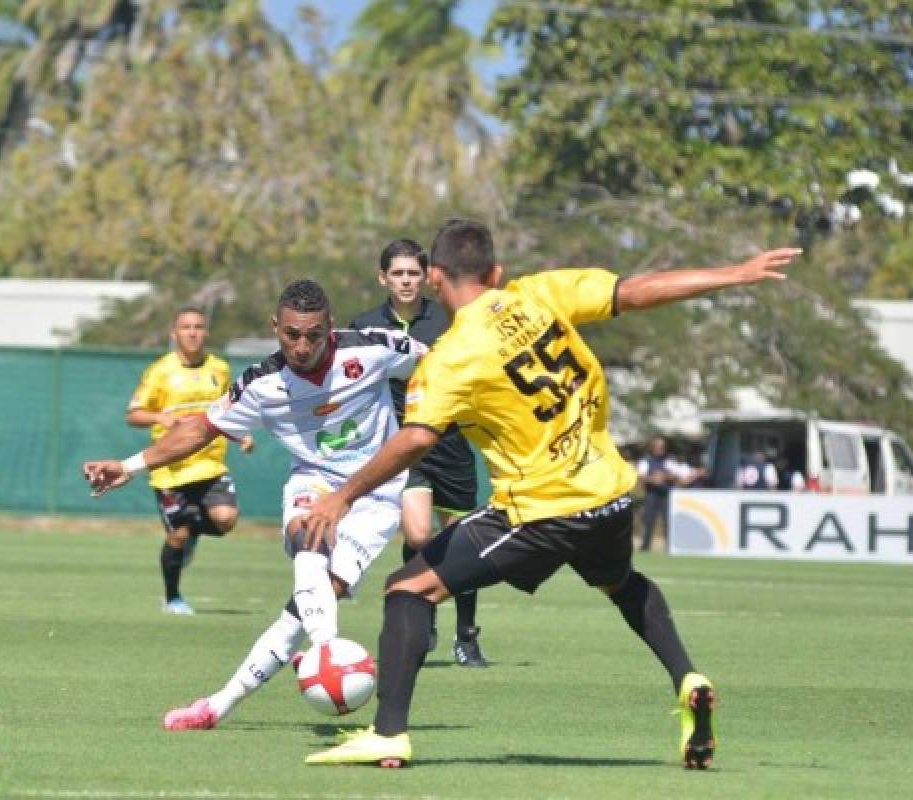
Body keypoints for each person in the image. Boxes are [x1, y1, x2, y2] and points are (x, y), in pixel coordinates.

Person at [298, 218, 801, 769]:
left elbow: (417, 437)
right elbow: (632, 291)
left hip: (541, 511)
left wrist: (342, 495)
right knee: (620, 582)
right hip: (609, 494)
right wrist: (735, 274)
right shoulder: (538, 293)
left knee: (408, 588)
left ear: (435, 277)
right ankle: (687, 677)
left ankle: (389, 734)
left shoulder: (451, 356)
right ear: (496, 272)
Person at [84, 279, 427, 731]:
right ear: (275, 327)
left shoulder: (374, 347)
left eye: (313, 334)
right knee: (309, 537)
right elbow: (197, 430)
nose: (302, 345)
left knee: (310, 604)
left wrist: (427, 415)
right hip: (315, 482)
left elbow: (444, 363)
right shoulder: (261, 384)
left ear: (330, 326)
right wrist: (129, 466)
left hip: (376, 492)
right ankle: (328, 653)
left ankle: (217, 706)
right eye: (291, 334)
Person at [351, 238, 487, 667]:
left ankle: (466, 637)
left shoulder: (449, 320)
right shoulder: (366, 326)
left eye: (413, 273)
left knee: (466, 542)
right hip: (404, 446)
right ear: (383, 277)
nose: (406, 281)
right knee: (417, 534)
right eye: (398, 274)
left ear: (426, 277)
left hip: (451, 445)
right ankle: (422, 612)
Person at [126, 306, 254, 615]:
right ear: (174, 333)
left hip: (209, 465)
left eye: (198, 326)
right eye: (186, 327)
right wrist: (160, 417)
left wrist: (242, 434)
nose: (193, 332)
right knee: (178, 535)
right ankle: (173, 598)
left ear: (206, 332)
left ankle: (192, 532)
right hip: (170, 470)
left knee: (225, 519)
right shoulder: (160, 371)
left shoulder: (220, 369)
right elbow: (133, 414)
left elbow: (229, 410)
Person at [635, 435, 699, 552]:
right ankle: (645, 546)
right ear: (653, 447)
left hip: (666, 494)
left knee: (668, 521)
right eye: (658, 447)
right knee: (648, 520)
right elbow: (642, 476)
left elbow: (677, 476)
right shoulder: (646, 460)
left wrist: (665, 476)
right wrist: (654, 479)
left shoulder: (669, 461)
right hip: (652, 494)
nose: (660, 449)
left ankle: (670, 547)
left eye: (662, 447)